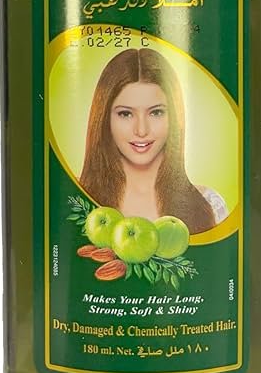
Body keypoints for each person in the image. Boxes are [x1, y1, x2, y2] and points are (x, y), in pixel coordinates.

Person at [80, 48, 227, 234]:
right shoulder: (76, 197)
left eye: (156, 112)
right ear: (103, 119)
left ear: (174, 117)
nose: (141, 130)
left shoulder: (209, 206)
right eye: (125, 114)